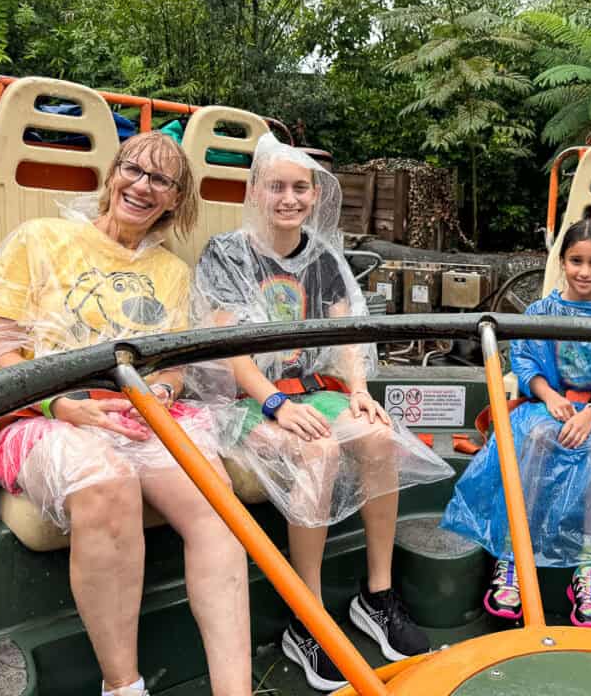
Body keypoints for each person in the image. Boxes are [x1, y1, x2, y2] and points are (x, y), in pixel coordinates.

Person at [0, 132, 252, 696]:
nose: (142, 186)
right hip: (41, 411)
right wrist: (62, 404)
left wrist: (159, 392)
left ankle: (234, 690)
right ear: (112, 174)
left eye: (160, 180)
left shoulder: (172, 272)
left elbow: (172, 368)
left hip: (138, 412)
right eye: (133, 170)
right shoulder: (41, 238)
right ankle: (123, 687)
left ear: (176, 200)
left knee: (215, 499)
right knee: (105, 479)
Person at [192, 133, 453, 693]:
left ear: (315, 195)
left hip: (311, 390)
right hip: (245, 400)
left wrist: (358, 389)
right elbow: (227, 345)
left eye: (300, 188)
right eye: (276, 187)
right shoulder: (226, 253)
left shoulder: (322, 256)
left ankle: (377, 595)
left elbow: (347, 332)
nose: (289, 198)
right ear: (256, 192)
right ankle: (306, 616)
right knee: (319, 451)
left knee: (378, 435)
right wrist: (275, 403)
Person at [441, 218, 591, 628]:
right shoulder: (540, 311)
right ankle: (513, 555)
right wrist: (552, 398)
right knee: (534, 435)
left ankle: (589, 565)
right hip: (549, 404)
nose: (584, 271)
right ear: (562, 262)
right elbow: (525, 364)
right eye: (576, 261)